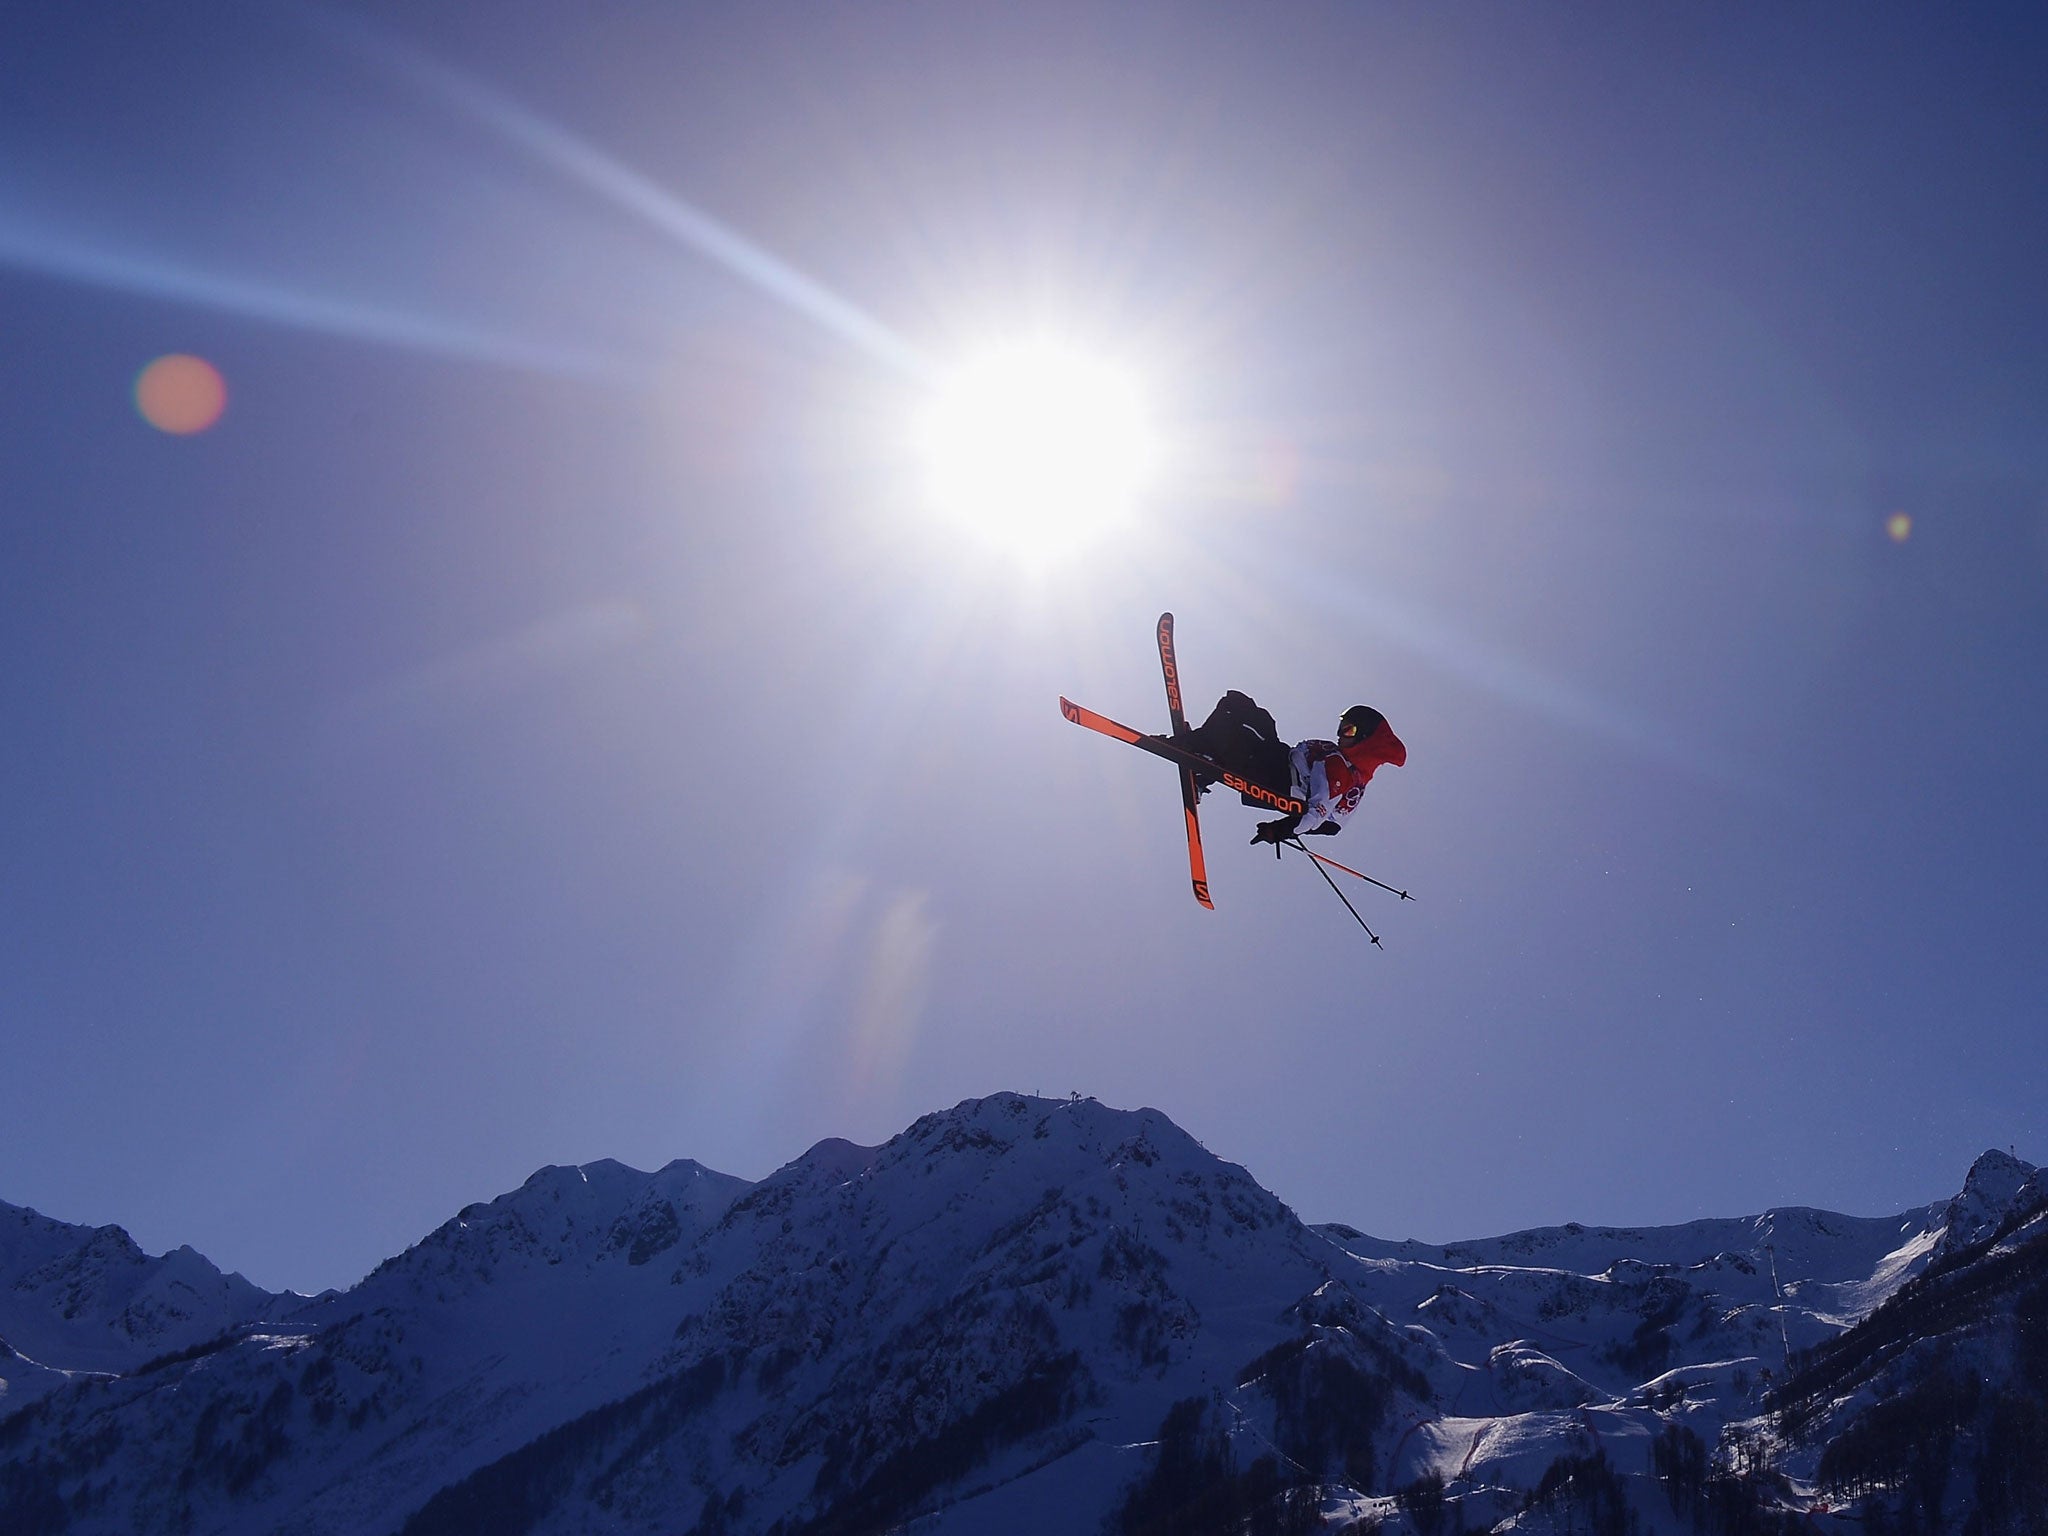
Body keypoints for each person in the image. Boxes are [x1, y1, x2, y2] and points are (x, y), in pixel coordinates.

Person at [1182, 696, 1406, 845]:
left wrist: (1279, 830)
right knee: (1248, 712)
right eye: (1341, 727)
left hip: (1276, 775)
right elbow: (1332, 825)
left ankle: (1195, 751)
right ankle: (1202, 754)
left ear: (1365, 740)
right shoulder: (1347, 767)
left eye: (1349, 730)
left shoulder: (1341, 769)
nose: (1340, 734)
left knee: (1238, 726)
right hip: (1279, 761)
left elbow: (1317, 816)